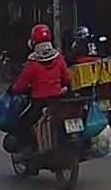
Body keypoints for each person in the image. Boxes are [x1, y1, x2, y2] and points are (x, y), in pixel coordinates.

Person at [8, 24, 71, 152]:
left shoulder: (32, 62)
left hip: (39, 103)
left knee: (22, 125)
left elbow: (21, 85)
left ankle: (29, 150)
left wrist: (13, 89)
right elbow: (66, 79)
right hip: (57, 101)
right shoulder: (59, 58)